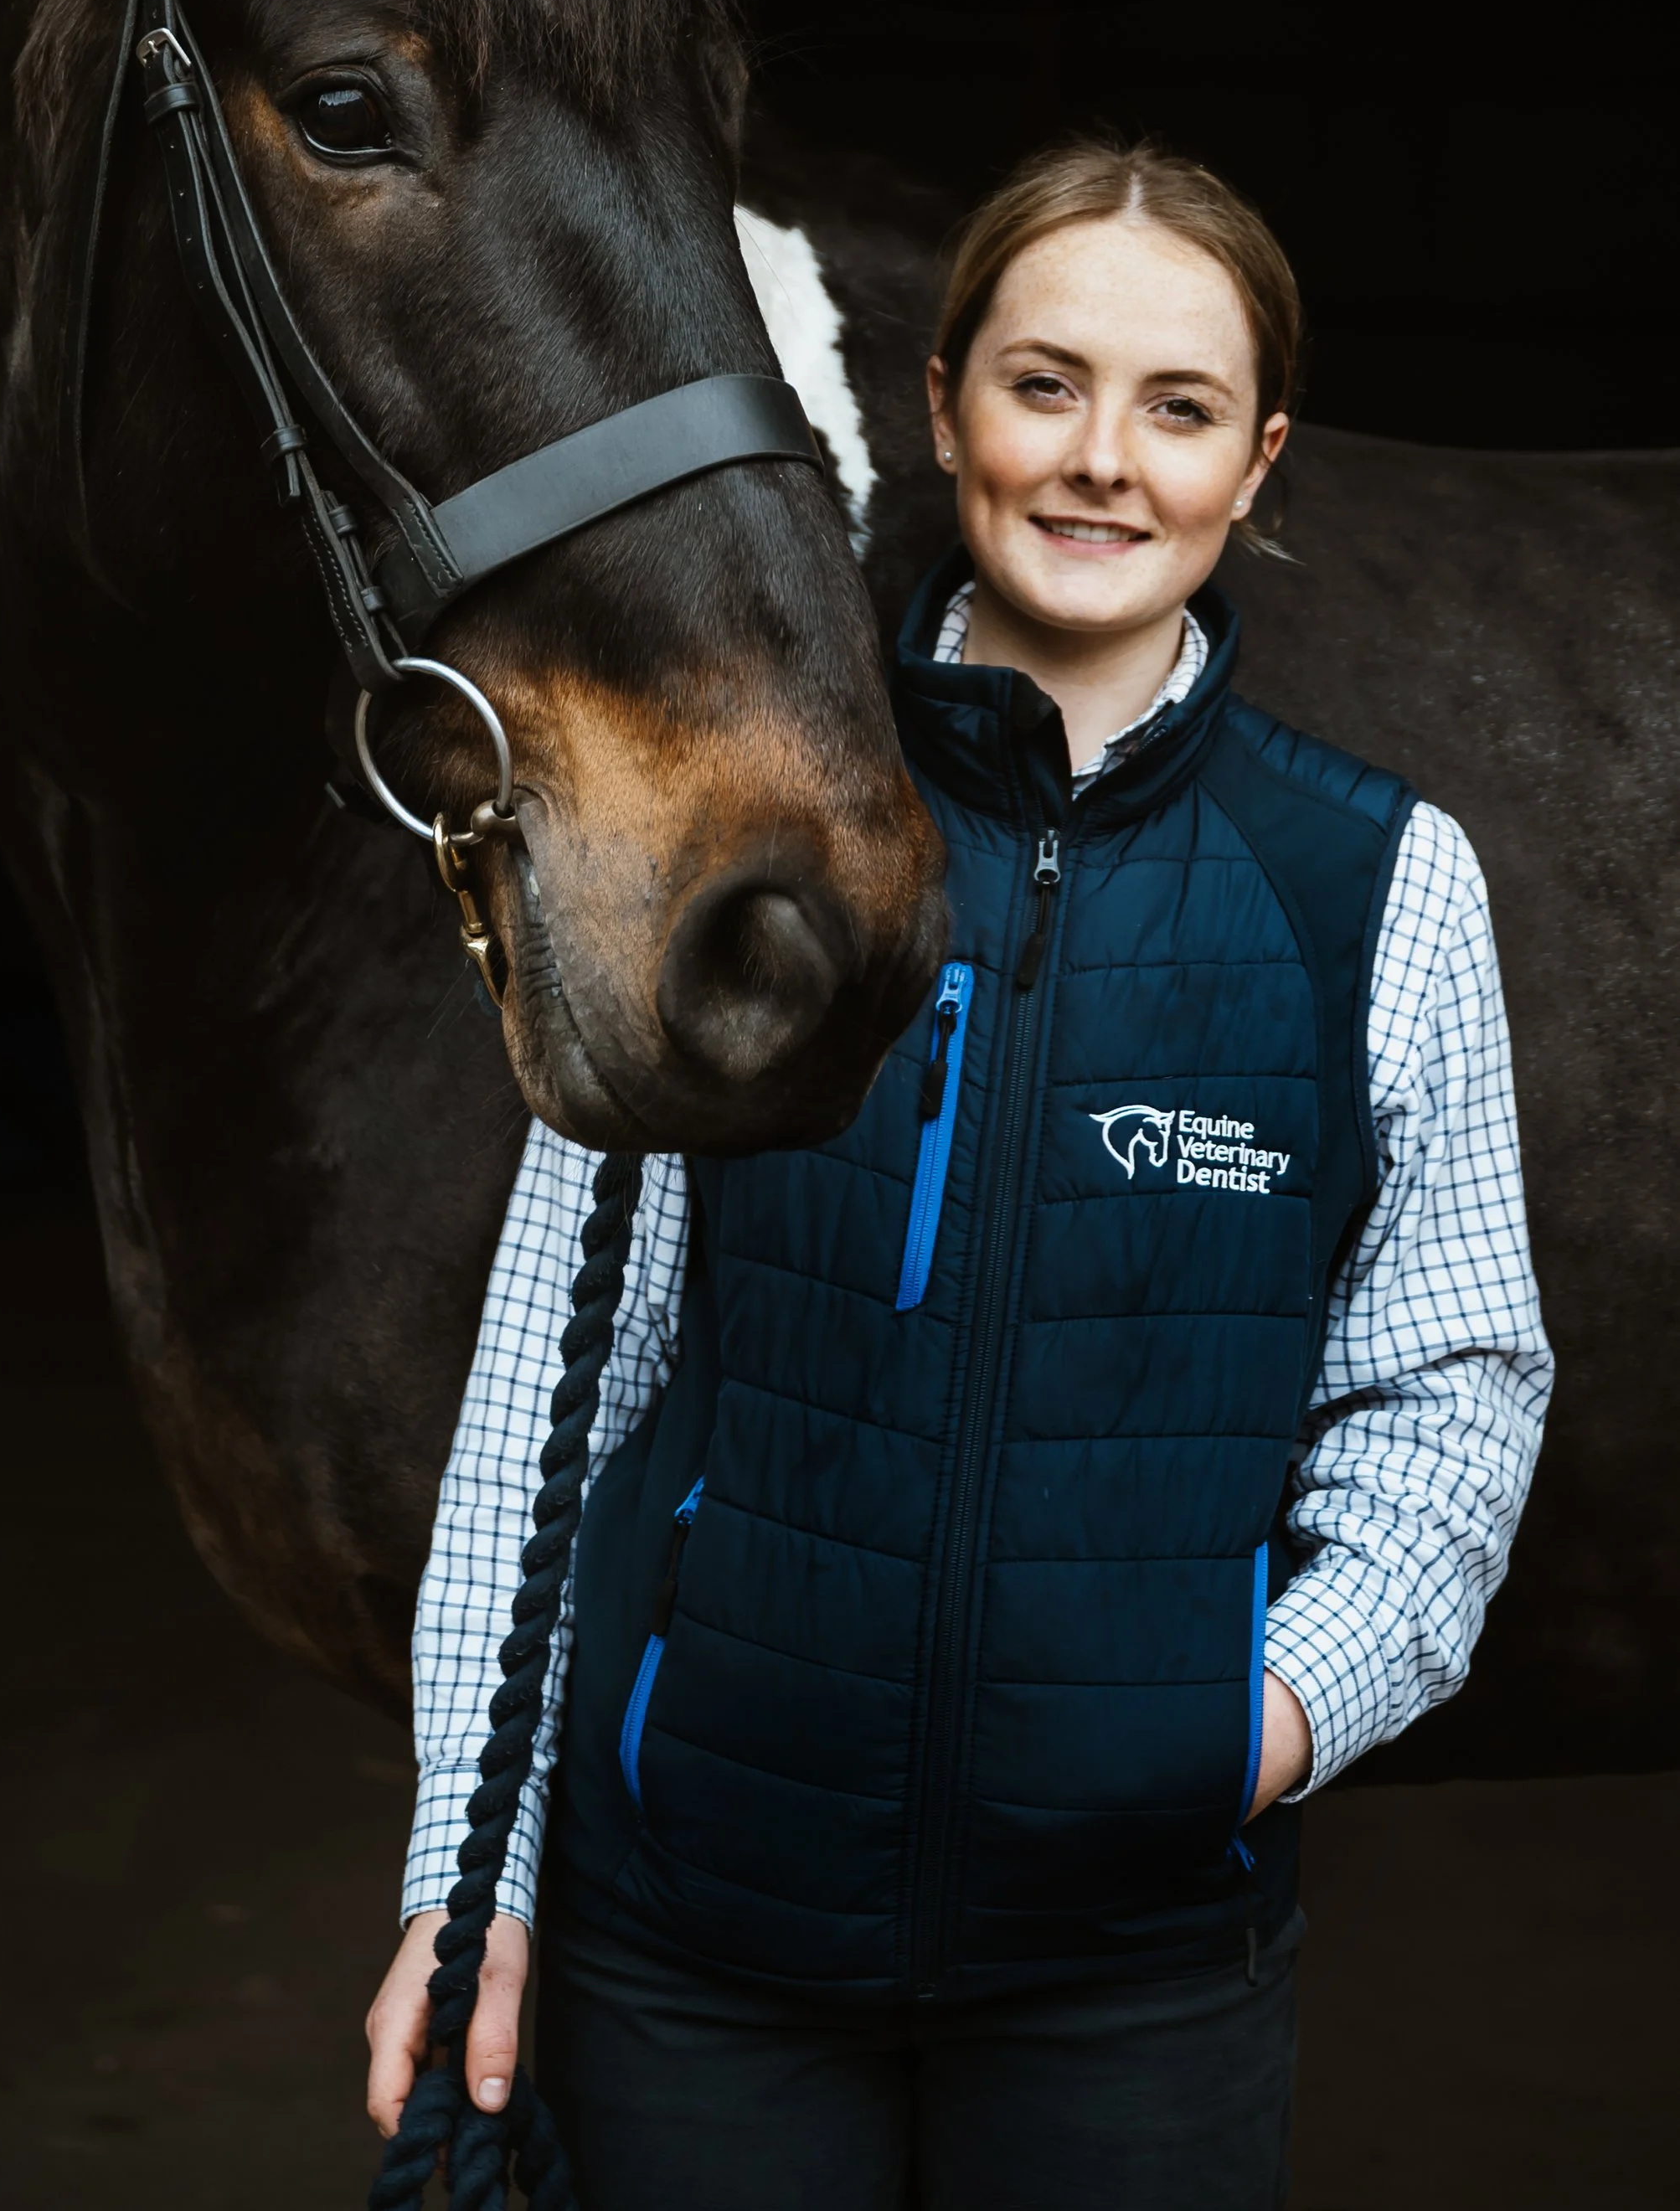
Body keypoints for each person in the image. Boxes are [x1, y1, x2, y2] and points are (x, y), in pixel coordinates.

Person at [366, 136, 1551, 2210]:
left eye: (1175, 408)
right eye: (1042, 382)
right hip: (696, 1951)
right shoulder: (738, 842)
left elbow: (1453, 1394)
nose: (1101, 462)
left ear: (1255, 462)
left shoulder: (1374, 887)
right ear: (940, 408)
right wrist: (469, 1875)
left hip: (1131, 1980)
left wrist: (1246, 1726)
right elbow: (554, 1392)